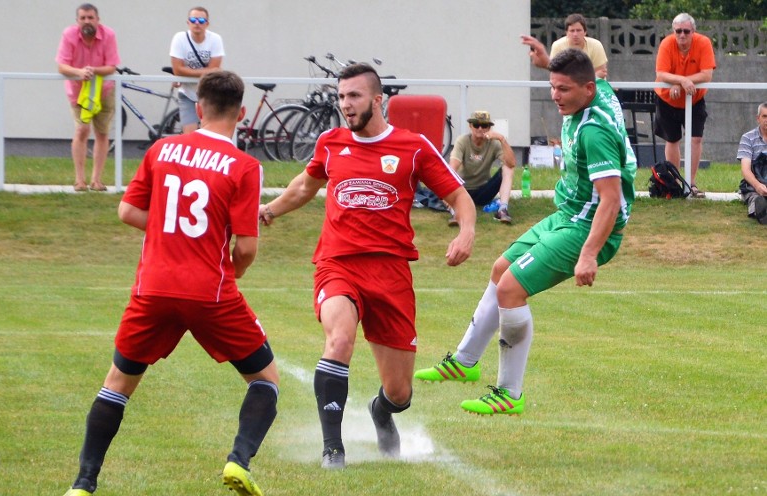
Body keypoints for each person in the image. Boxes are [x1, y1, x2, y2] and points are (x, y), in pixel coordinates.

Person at [61, 70, 280, 496]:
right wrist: (226, 270)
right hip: (210, 292)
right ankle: (238, 461)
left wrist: (167, 232)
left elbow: (127, 210)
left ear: (198, 108)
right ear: (239, 114)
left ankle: (82, 486)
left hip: (154, 288)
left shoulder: (163, 149)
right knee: (265, 379)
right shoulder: (244, 166)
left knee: (118, 382)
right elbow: (248, 247)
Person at [258, 63, 476, 469]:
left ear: (378, 100)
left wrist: (465, 233)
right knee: (339, 340)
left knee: (400, 393)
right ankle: (333, 450)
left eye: (354, 96)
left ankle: (381, 410)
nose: (346, 105)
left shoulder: (412, 147)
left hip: (391, 273)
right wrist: (269, 209)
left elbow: (458, 196)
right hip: (337, 263)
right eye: (341, 97)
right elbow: (305, 186)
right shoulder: (331, 142)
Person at [414, 49, 636, 417]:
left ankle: (509, 393)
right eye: (552, 86)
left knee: (511, 289)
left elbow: (610, 201)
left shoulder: (593, 131)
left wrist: (589, 254)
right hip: (569, 214)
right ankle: (465, 361)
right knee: (501, 269)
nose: (555, 96)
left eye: (563, 89)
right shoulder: (597, 92)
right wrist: (547, 60)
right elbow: (588, 73)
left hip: (590, 226)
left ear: (588, 89)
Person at [56, 3, 121, 192]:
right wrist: (79, 72)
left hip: (104, 91)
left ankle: (96, 180)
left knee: (102, 133)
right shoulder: (69, 35)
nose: (87, 21)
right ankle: (79, 180)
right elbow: (62, 66)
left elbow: (112, 66)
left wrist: (92, 71)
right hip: (78, 92)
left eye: (90, 17)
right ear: (77, 21)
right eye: (83, 18)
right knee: (82, 131)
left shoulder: (109, 35)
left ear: (98, 20)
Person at [654, 13, 715, 197]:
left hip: (694, 98)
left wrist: (682, 83)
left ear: (693, 31)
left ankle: (691, 183)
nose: (682, 35)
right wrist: (682, 81)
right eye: (678, 31)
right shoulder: (666, 43)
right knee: (672, 140)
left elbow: (706, 75)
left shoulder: (703, 43)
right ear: (673, 31)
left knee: (696, 139)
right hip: (667, 99)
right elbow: (661, 73)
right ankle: (674, 182)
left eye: (686, 31)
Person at [447, 110, 517, 225]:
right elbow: (452, 168)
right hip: (462, 191)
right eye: (476, 125)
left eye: (484, 125)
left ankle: (503, 210)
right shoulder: (462, 141)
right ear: (470, 126)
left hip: (483, 192)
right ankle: (456, 213)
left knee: (507, 167)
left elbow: (512, 163)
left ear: (489, 128)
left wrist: (502, 139)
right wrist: (448, 192)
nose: (480, 128)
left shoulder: (494, 143)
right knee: (450, 178)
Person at [169, 6, 224, 133]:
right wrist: (207, 72)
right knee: (189, 134)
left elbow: (214, 67)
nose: (197, 23)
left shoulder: (215, 39)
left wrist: (186, 72)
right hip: (187, 93)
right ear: (188, 22)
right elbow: (177, 70)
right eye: (193, 20)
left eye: (201, 20)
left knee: (210, 133)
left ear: (207, 24)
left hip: (210, 93)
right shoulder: (179, 38)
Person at [520, 14, 608, 79]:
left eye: (578, 30)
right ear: (566, 32)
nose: (575, 34)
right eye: (572, 31)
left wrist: (579, 81)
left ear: (585, 32)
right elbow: (554, 71)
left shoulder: (596, 45)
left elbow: (602, 72)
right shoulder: (558, 45)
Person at [736, 102, 767, 224]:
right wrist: (758, 186)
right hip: (754, 184)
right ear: (757, 118)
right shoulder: (747, 138)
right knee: (754, 198)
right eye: (764, 116)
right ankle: (760, 212)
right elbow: (746, 170)